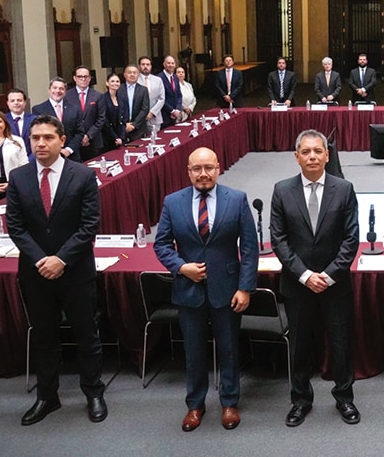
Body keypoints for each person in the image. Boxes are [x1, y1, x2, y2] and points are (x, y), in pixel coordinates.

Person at [6, 116, 107, 426]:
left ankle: (93, 392)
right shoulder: (19, 177)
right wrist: (41, 260)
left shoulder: (83, 176)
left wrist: (61, 259)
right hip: (36, 273)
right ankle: (47, 396)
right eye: (35, 137)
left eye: (48, 137)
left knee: (85, 333)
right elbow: (16, 226)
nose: (40, 143)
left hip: (75, 270)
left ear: (62, 140)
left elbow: (89, 225)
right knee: (44, 337)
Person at [154, 147, 258, 432]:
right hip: (189, 290)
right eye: (197, 169)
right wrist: (180, 267)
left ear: (218, 168)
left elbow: (249, 248)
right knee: (194, 351)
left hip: (227, 289)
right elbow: (161, 244)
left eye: (209, 168)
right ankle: (195, 405)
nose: (203, 174)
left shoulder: (236, 199)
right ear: (188, 171)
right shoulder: (172, 202)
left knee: (229, 349)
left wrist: (246, 288)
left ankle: (229, 402)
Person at [270, 129, 361, 427]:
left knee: (340, 343)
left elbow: (351, 239)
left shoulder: (344, 189)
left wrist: (329, 275)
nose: (312, 156)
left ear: (327, 155)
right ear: (296, 157)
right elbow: (279, 240)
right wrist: (306, 275)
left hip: (335, 286)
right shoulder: (282, 190)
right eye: (306, 152)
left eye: (317, 151)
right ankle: (300, 401)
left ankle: (345, 398)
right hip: (298, 285)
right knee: (299, 346)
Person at [30, 77, 86, 163]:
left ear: (65, 92)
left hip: (71, 156)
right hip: (49, 156)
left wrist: (68, 150)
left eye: (61, 88)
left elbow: (79, 132)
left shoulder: (74, 109)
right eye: (55, 88)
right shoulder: (38, 109)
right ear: (49, 90)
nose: (58, 91)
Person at [70, 66, 108, 160]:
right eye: (80, 77)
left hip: (93, 141)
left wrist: (88, 136)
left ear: (90, 78)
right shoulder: (67, 96)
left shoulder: (98, 96)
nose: (83, 79)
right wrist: (79, 137)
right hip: (73, 142)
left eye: (86, 76)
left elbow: (101, 118)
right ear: (75, 78)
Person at [119, 64, 152, 141]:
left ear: (138, 74)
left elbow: (145, 109)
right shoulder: (119, 89)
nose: (132, 75)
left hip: (139, 128)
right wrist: (124, 125)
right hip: (122, 128)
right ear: (124, 74)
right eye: (129, 72)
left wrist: (134, 125)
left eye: (135, 72)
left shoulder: (143, 90)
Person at [5, 89, 37, 161]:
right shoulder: (3, 121)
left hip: (31, 161)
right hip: (10, 162)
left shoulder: (34, 120)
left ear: (25, 102)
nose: (16, 103)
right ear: (7, 103)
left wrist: (28, 161)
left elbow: (37, 142)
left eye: (19, 100)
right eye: (12, 101)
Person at [138, 56, 167, 132]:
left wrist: (152, 112)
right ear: (139, 66)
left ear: (151, 66)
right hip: (139, 119)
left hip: (155, 118)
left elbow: (162, 98)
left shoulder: (158, 80)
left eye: (148, 64)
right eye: (143, 64)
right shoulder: (135, 80)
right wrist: (143, 114)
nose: (145, 67)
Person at [100, 72, 126, 151]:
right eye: (112, 81)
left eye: (117, 81)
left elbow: (124, 119)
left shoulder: (122, 98)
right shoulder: (102, 98)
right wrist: (115, 137)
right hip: (107, 137)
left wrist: (121, 137)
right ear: (107, 83)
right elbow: (104, 121)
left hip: (120, 137)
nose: (115, 83)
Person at [157, 55, 183, 127]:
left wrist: (177, 109)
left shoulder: (175, 77)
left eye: (172, 63)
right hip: (164, 115)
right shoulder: (159, 78)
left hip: (175, 115)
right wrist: (172, 111)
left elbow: (179, 95)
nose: (171, 65)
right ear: (164, 64)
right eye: (168, 63)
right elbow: (160, 97)